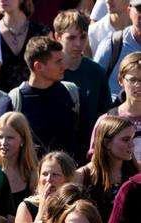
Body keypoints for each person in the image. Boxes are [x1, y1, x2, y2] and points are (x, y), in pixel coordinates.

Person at [0, 37, 80, 159]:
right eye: (58, 62)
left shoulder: (73, 94)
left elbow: (85, 138)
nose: (64, 66)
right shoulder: (12, 103)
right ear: (38, 66)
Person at [55, 10, 112, 162]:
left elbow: (105, 119)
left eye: (83, 37)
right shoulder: (48, 71)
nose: (78, 44)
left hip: (89, 155)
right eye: (71, 38)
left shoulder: (97, 73)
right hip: (53, 154)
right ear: (57, 37)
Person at [80, 115, 140, 223]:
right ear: (107, 143)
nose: (132, 145)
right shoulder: (82, 176)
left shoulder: (137, 170)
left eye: (133, 138)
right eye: (125, 140)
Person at [14, 152, 77, 223]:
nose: (49, 179)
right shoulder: (26, 207)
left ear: (68, 179)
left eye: (55, 175)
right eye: (44, 174)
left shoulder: (76, 205)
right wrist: (41, 212)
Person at [94, 1, 141, 101]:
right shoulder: (114, 43)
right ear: (129, 12)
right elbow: (94, 81)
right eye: (140, 9)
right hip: (117, 114)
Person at [0, 112, 38, 210]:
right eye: (0, 137)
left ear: (22, 140)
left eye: (10, 138)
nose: (3, 143)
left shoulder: (33, 175)